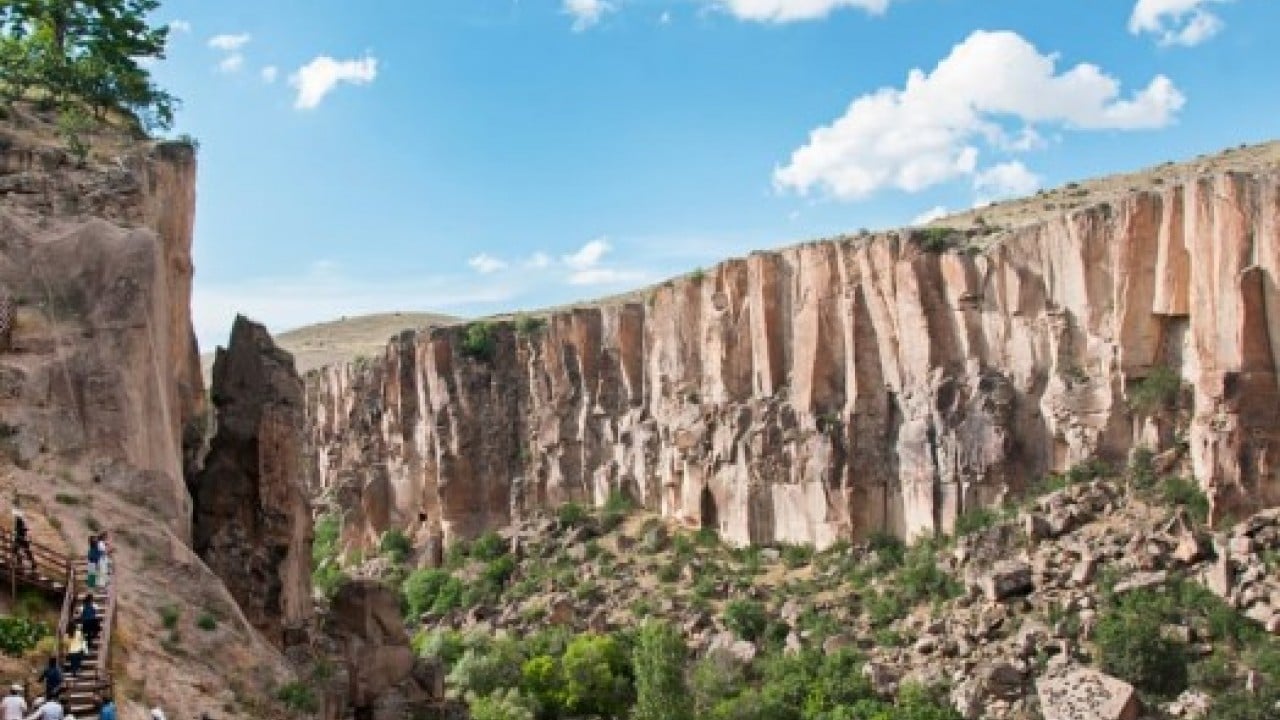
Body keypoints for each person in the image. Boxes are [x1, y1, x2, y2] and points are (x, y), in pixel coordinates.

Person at [12, 509, 36, 574]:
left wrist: (23, 530)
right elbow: (21, 529)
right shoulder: (20, 520)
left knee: (17, 550)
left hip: (20, 538)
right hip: (21, 538)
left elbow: (19, 529)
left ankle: (21, 563)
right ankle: (22, 563)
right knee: (23, 551)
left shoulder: (19, 520)